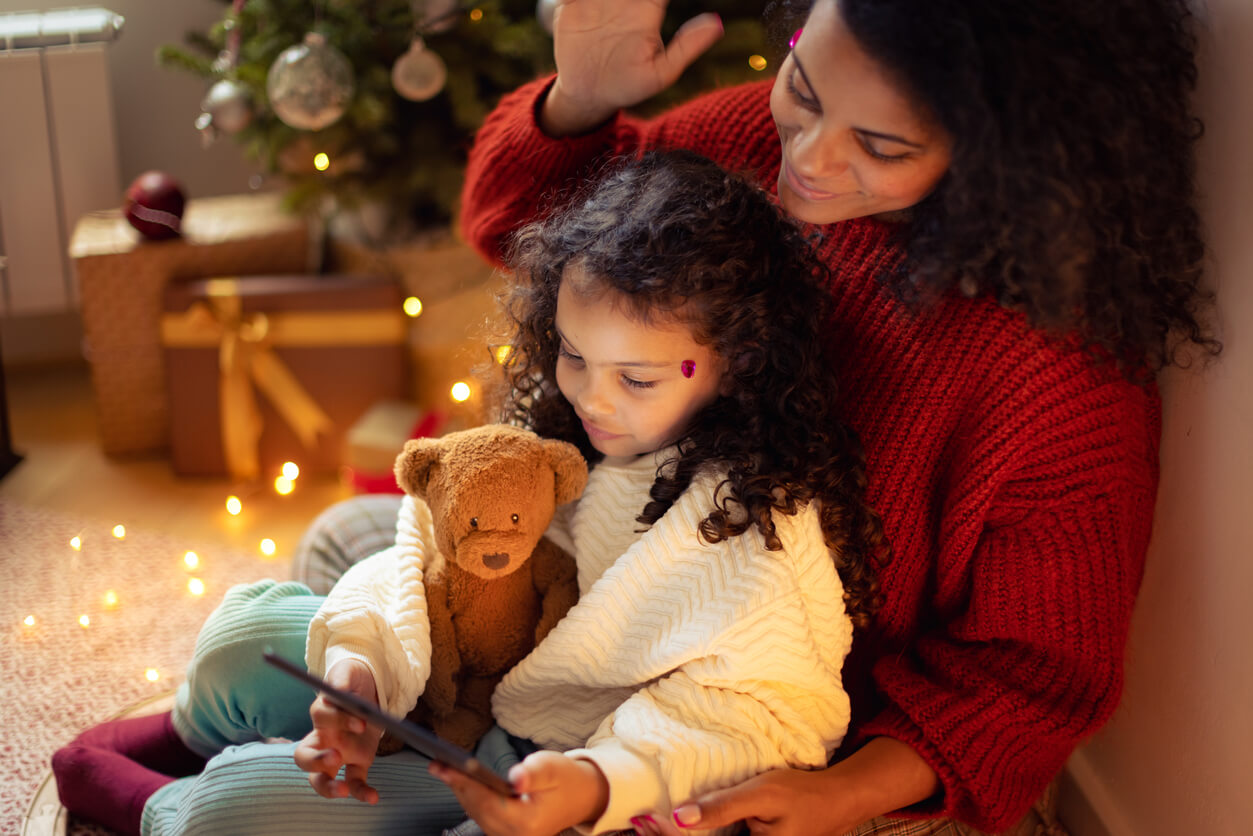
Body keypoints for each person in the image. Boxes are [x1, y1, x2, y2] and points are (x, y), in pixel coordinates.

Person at [417, 0, 1224, 834]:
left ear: (1006, 157)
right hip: (597, 599)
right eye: (801, 85)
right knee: (350, 566)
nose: (807, 155)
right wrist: (578, 99)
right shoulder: (746, 139)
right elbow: (523, 231)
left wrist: (841, 793)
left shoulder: (1057, 375)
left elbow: (1031, 680)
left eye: (880, 146)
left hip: (761, 726)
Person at [49, 149, 886, 836]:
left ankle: (148, 802)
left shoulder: (757, 533)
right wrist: (364, 667)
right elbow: (427, 544)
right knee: (246, 632)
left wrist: (599, 782)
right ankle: (190, 731)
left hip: (536, 763)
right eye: (572, 354)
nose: (592, 397)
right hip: (455, 667)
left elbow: (770, 717)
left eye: (635, 378)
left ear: (738, 364)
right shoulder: (562, 429)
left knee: (231, 812)